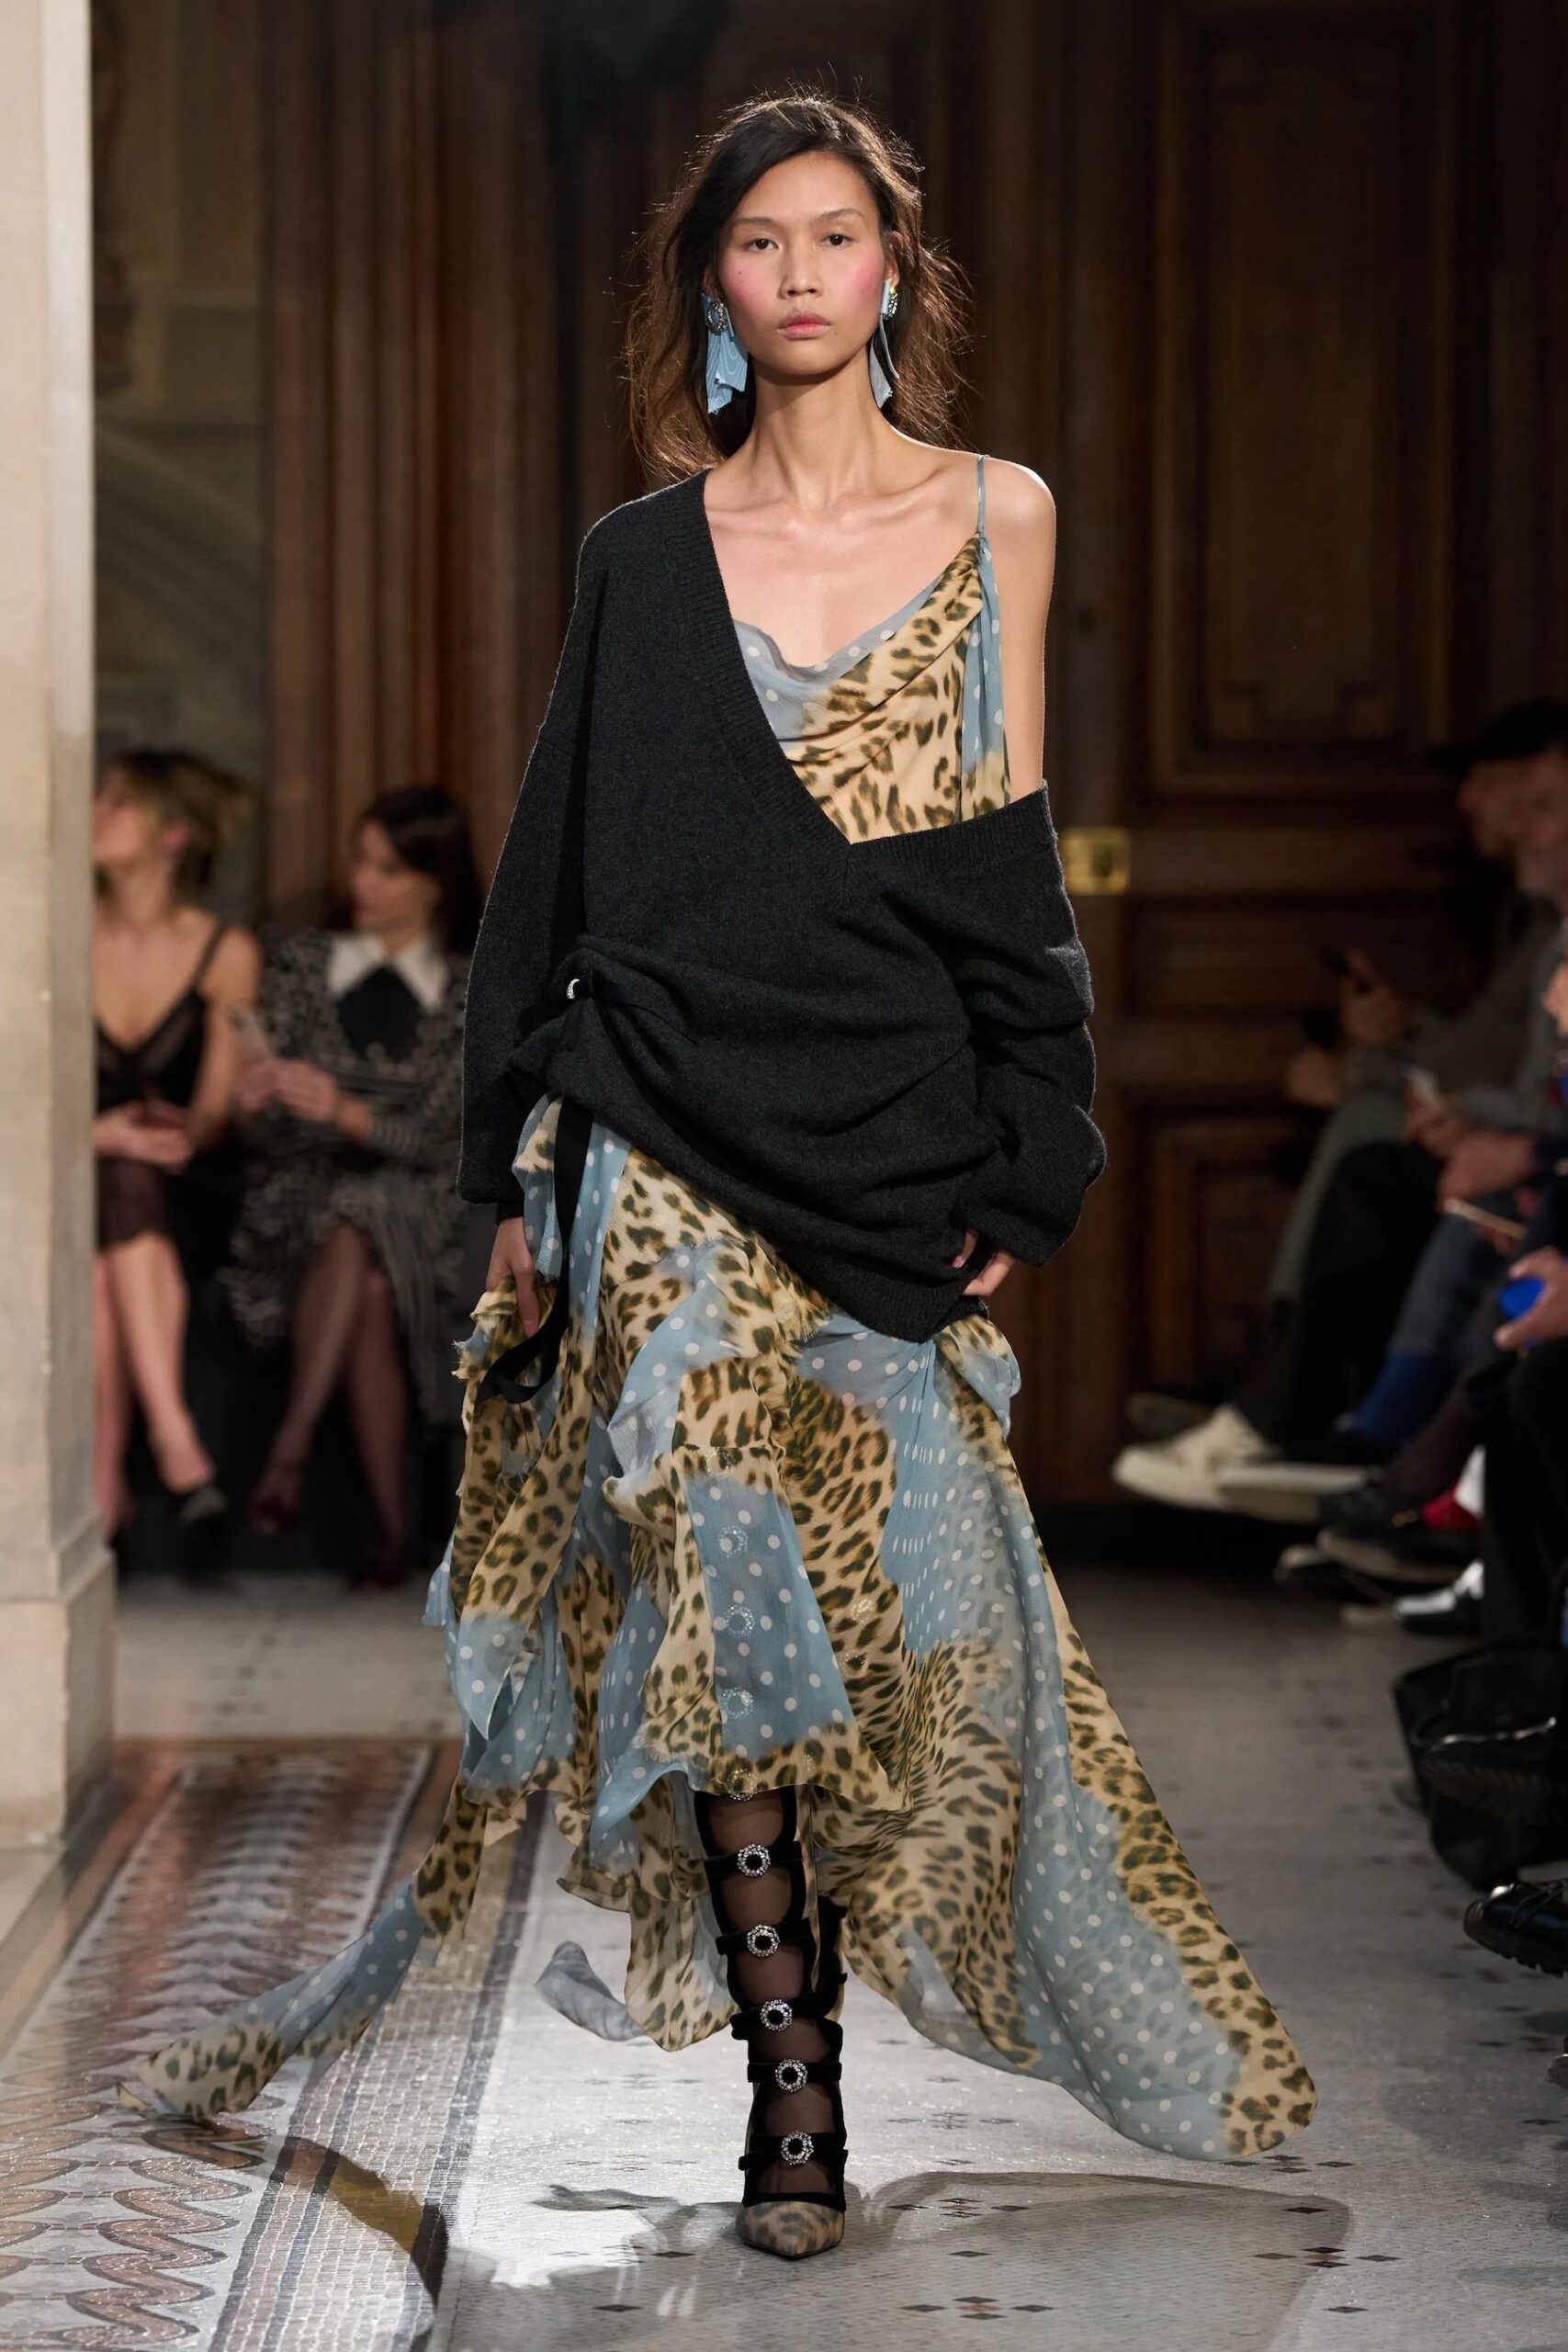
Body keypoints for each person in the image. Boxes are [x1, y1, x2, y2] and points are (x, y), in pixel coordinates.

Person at [124, 93, 1314, 2255]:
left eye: (834, 235)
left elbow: (1006, 850)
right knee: (716, 1586)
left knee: (921, 1621)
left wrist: (1031, 1139)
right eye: (756, 240)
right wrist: (516, 1165)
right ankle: (792, 2086)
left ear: (891, 268)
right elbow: (556, 867)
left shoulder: (997, 514)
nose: (796, 272)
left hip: (885, 1128)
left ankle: (848, 2023)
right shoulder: (638, 558)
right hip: (658, 1122)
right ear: (710, 284)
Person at [221, 786, 479, 1588]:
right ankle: (391, 1532)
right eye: (359, 861)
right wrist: (252, 1103)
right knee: (358, 1253)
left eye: (387, 869)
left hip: (422, 1208)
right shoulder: (302, 964)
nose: (362, 882)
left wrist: (348, 1114)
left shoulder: (467, 989)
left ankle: (291, 1457)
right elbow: (262, 1136)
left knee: (367, 1223)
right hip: (298, 1197)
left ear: (433, 883)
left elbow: (448, 1147)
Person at [91, 749, 260, 1560]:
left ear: (173, 834)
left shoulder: (224, 951)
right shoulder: (54, 932)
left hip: (186, 1188)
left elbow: (213, 1117)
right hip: (78, 1176)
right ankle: (171, 1440)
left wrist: (178, 1130)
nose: (94, 814)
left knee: (121, 1196)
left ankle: (104, 1485)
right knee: (106, 1199)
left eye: (118, 802)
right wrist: (97, 1135)